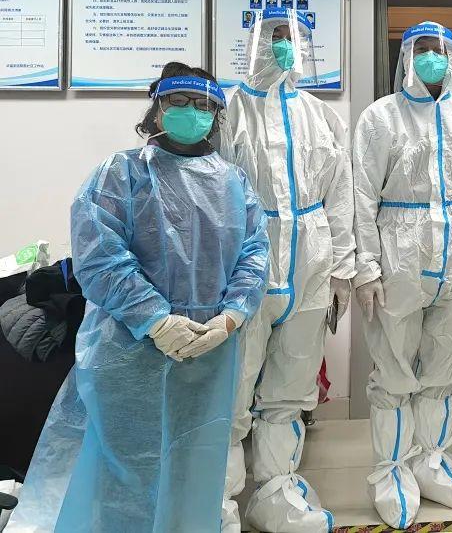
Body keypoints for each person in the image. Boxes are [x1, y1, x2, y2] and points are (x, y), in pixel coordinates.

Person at [9, 65, 269, 533]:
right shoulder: (121, 174)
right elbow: (99, 257)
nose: (192, 112)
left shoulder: (234, 183)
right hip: (128, 350)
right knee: (128, 468)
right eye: (179, 103)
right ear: (156, 110)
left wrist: (231, 316)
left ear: (217, 117)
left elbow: (254, 254)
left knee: (194, 461)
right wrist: (156, 320)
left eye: (204, 105)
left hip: (209, 352)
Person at [353, 21, 452, 528]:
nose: (433, 57)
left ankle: (431, 461)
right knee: (393, 367)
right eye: (423, 49)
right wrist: (367, 266)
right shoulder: (380, 116)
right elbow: (361, 194)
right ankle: (392, 471)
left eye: (441, 49)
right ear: (407, 56)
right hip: (399, 253)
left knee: (442, 363)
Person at [217, 8, 357, 533]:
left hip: (310, 263)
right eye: (274, 36)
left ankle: (275, 492)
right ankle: (219, 504)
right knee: (232, 390)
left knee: (290, 387)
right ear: (254, 43)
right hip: (248, 264)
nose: (283, 45)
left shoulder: (320, 115)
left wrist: (342, 265)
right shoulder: (228, 111)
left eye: (292, 37)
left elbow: (339, 194)